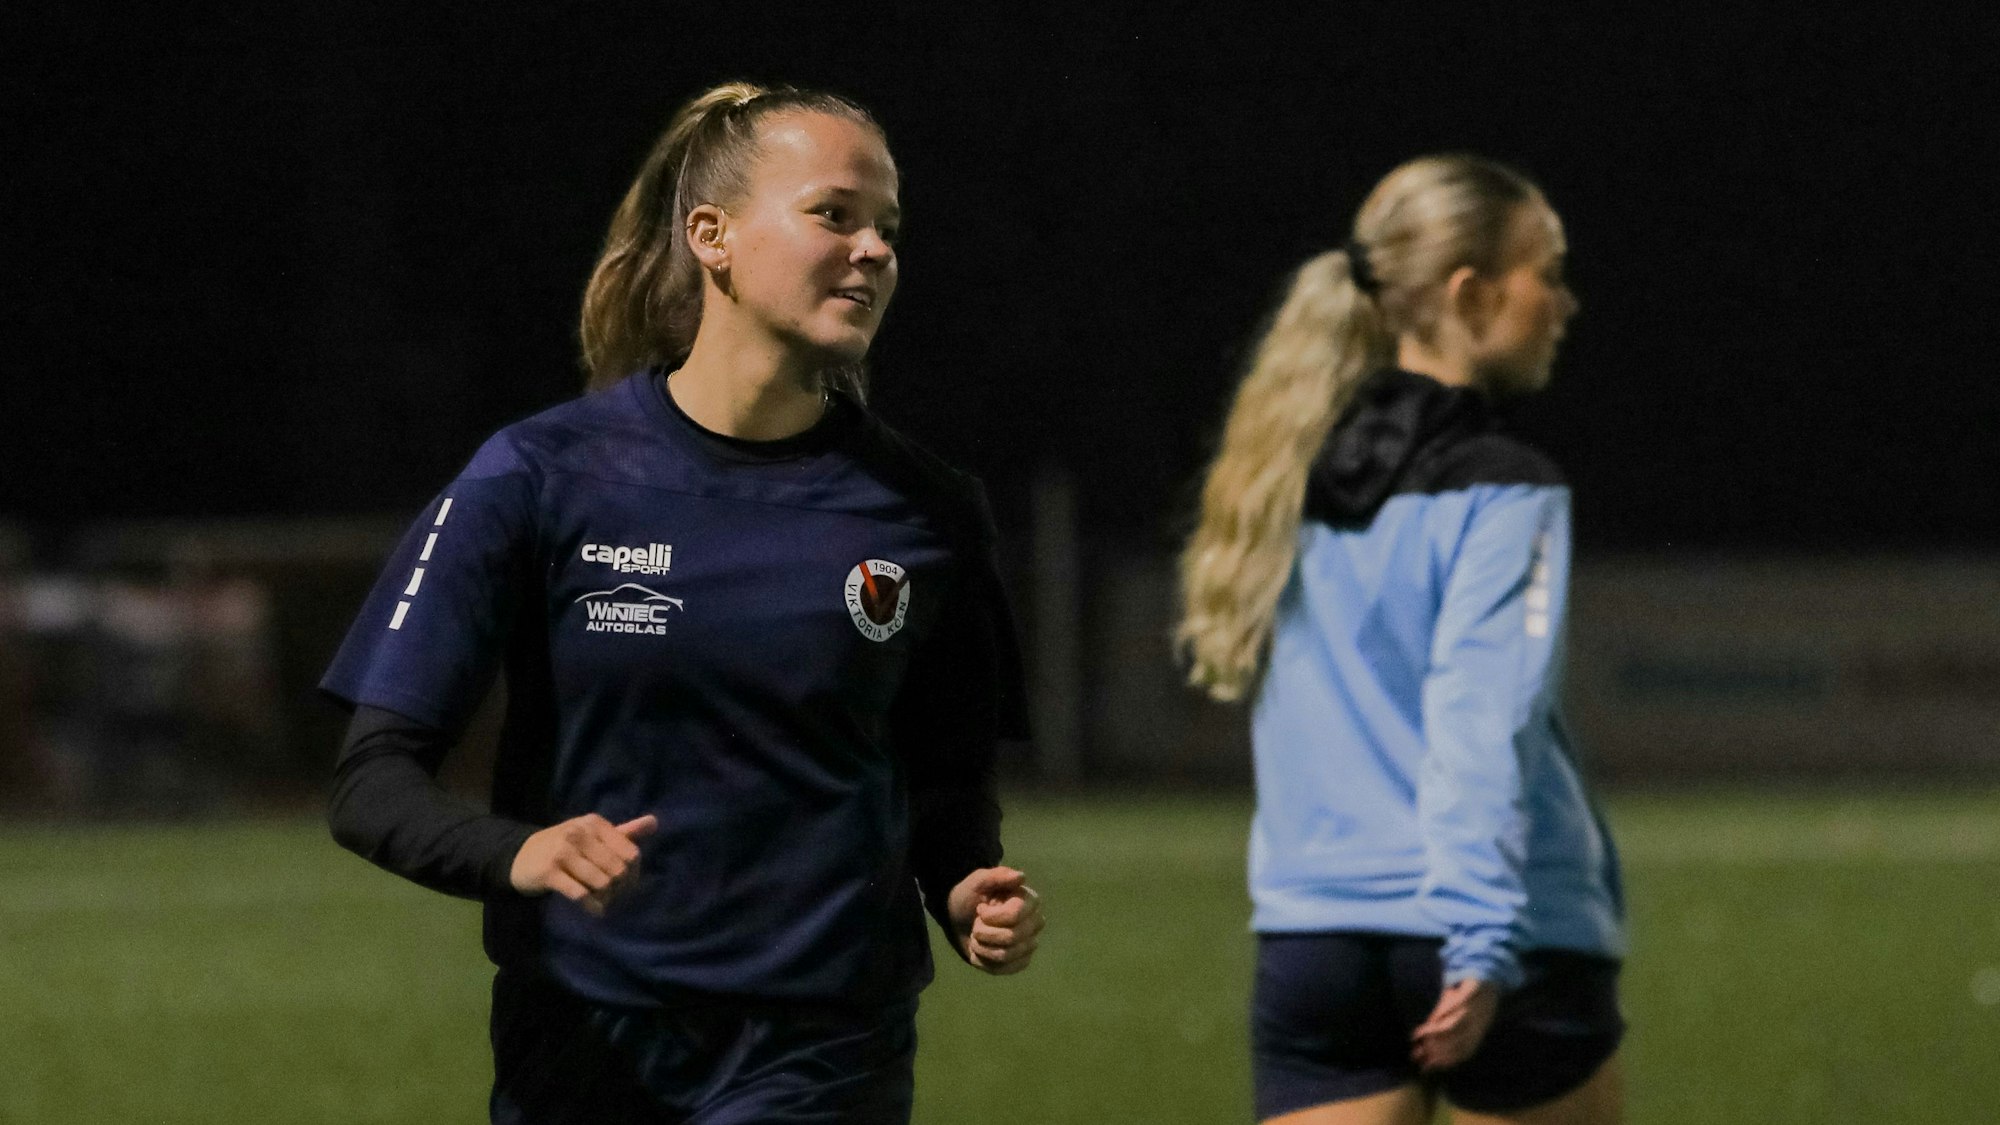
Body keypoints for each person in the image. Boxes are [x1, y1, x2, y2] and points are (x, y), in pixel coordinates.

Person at [322, 81, 1044, 1125]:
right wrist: (517, 852)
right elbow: (370, 783)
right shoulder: (535, 477)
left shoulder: (928, 512)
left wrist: (964, 883)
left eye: (887, 226)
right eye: (834, 214)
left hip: (823, 1047)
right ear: (711, 236)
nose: (875, 249)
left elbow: (941, 777)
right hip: (582, 1042)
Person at [1176, 155, 1625, 1125]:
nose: (1563, 303)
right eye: (1544, 273)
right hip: (1486, 939)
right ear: (1468, 294)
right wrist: (1477, 938)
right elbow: (1480, 714)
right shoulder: (1504, 484)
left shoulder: (1277, 474)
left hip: (1313, 944)